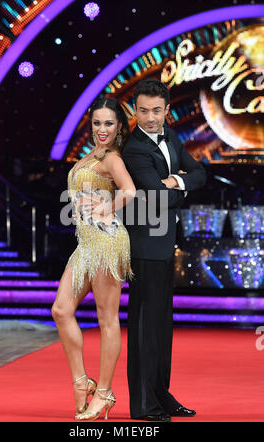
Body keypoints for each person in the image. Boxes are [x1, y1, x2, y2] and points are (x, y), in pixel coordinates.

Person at [122, 78, 206, 421]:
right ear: (135, 110)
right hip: (143, 244)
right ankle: (143, 405)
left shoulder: (171, 136)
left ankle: (161, 395)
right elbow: (155, 197)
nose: (150, 118)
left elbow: (200, 172)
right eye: (143, 111)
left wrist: (177, 181)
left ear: (167, 110)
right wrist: (177, 187)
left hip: (163, 243)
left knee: (161, 326)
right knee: (144, 326)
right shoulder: (134, 149)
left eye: (157, 111)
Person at [51, 97, 136, 421]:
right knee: (61, 309)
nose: (102, 129)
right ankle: (80, 381)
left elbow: (129, 191)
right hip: (84, 243)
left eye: (109, 124)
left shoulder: (113, 158)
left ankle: (104, 392)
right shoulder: (91, 154)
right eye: (97, 123)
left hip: (107, 242)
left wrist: (107, 208)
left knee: (107, 319)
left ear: (118, 127)